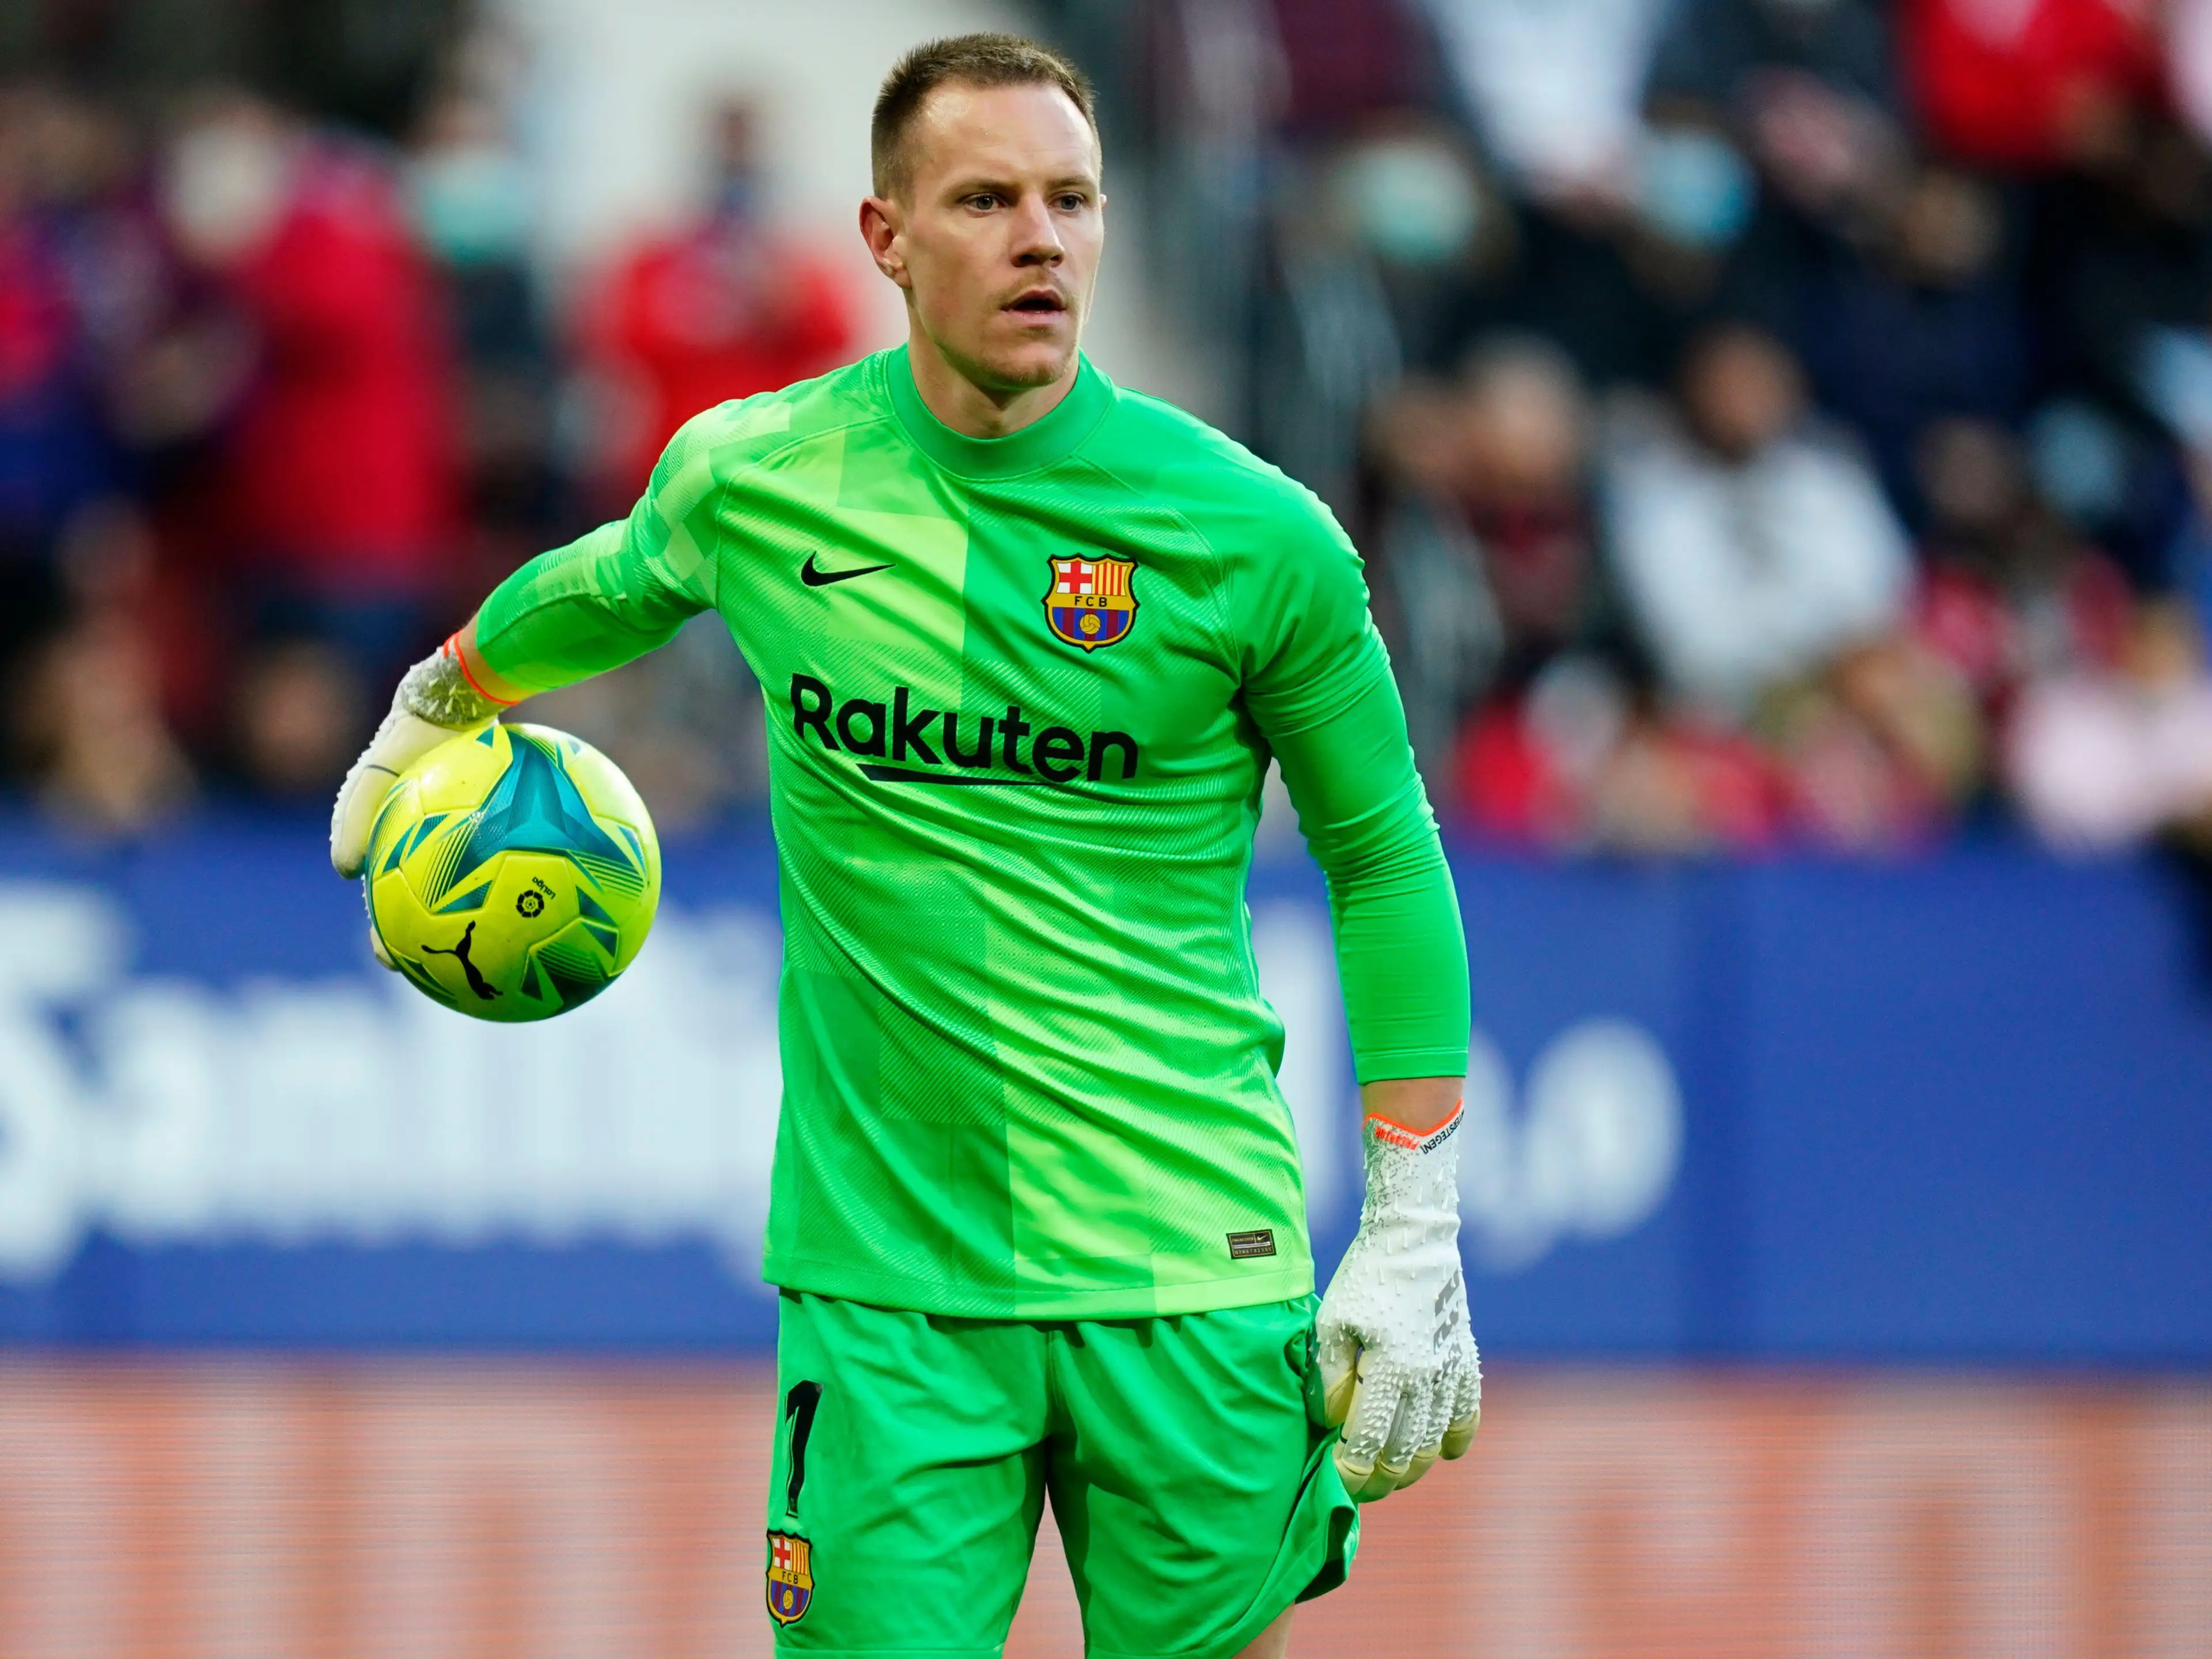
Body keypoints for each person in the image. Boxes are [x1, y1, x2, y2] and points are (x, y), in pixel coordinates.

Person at [329, 34, 1477, 1658]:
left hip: (1197, 1276)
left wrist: (1416, 1218)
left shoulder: (1258, 535)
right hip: (888, 1295)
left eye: (1073, 199)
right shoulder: (760, 476)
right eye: (989, 199)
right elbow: (605, 582)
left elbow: (1385, 860)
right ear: (885, 236)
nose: (1044, 239)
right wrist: (445, 696)